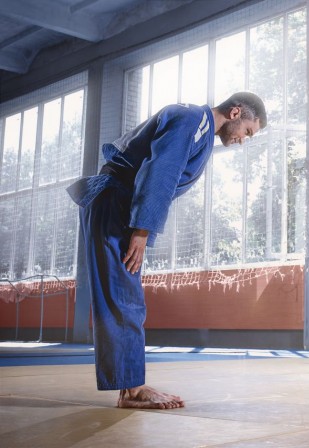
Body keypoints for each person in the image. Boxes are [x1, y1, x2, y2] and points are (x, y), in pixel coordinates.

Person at [67, 92, 267, 409]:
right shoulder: (193, 120)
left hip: (120, 204)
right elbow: (162, 170)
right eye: (248, 132)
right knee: (123, 296)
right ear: (235, 112)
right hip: (116, 203)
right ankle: (131, 390)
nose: (243, 140)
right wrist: (142, 231)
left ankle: (130, 385)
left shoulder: (199, 129)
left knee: (125, 294)